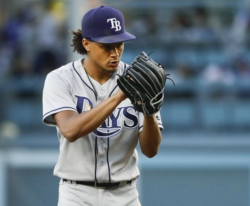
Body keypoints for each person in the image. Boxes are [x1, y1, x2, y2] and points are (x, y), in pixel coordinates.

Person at [42, 5, 163, 206]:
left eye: (120, 45)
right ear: (87, 44)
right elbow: (70, 130)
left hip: (125, 194)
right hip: (77, 194)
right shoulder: (61, 79)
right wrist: (120, 96)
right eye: (107, 46)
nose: (115, 53)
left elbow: (150, 151)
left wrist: (149, 112)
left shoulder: (137, 79)